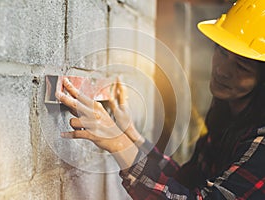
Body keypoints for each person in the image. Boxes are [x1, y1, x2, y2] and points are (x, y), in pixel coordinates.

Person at [55, 0, 265, 199]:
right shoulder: (227, 116)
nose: (221, 70)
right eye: (222, 51)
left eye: (241, 66)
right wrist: (131, 134)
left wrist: (119, 144)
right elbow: (188, 181)